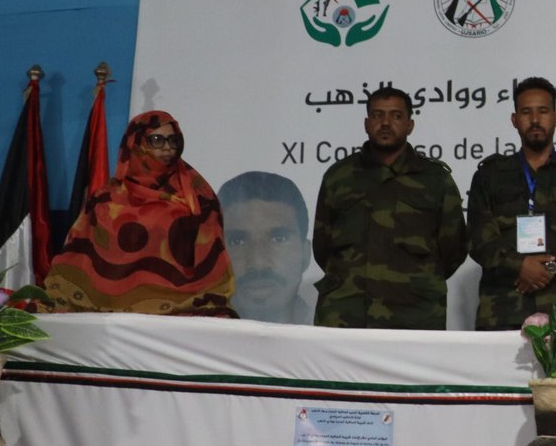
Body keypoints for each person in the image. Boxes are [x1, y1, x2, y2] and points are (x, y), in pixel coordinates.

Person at [45, 110, 235, 316]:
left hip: (182, 307)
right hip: (109, 308)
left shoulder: (198, 194)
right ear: (135, 143)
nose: (167, 148)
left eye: (173, 140)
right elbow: (79, 253)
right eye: (157, 140)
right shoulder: (106, 198)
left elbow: (213, 257)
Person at [312, 86, 467, 329]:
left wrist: (412, 281)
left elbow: (454, 249)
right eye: (377, 115)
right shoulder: (338, 176)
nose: (385, 123)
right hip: (346, 312)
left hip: (414, 313)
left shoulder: (436, 179)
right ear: (366, 123)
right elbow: (322, 247)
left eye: (396, 116)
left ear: (410, 125)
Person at [467, 77, 556, 330]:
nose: (535, 120)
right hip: (502, 310)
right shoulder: (489, 176)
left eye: (543, 111)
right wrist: (520, 265)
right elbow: (478, 239)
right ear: (514, 120)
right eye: (526, 112)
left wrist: (551, 266)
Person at [220, 171, 314, 325]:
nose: (258, 263)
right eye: (237, 242)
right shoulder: (187, 334)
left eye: (279, 239)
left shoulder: (339, 333)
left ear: (306, 254)